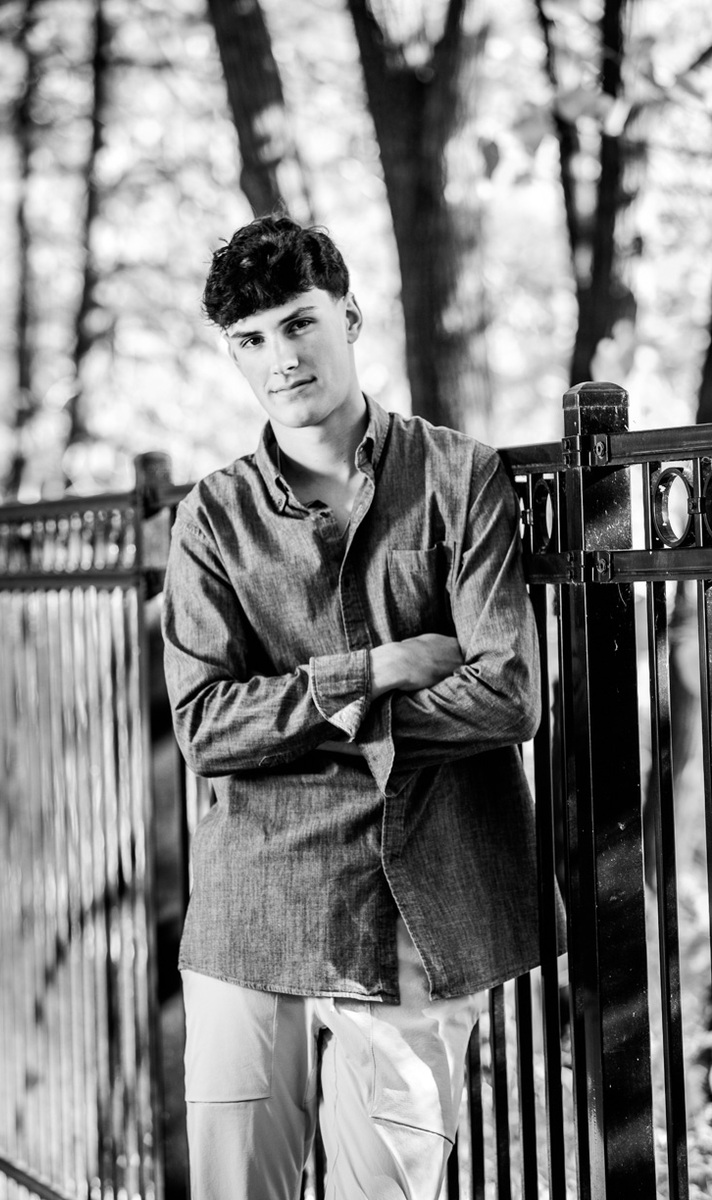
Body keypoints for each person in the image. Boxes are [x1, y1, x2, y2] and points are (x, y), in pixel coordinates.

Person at [162, 215, 543, 1200]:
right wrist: (373, 671)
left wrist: (299, 724)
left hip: (417, 907)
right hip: (253, 910)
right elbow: (206, 727)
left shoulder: (458, 478)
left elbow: (506, 695)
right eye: (250, 339)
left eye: (298, 323)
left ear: (350, 317)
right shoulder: (212, 519)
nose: (280, 358)